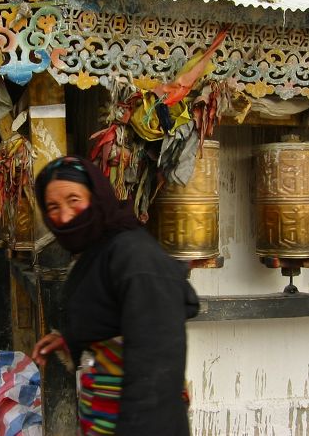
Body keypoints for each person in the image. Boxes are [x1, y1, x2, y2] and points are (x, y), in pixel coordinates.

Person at [30, 155, 199, 436]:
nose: (65, 216)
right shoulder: (98, 250)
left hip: (142, 420)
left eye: (74, 200)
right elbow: (110, 313)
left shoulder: (135, 256)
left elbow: (156, 359)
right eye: (53, 207)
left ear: (96, 197)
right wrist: (69, 337)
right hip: (105, 414)